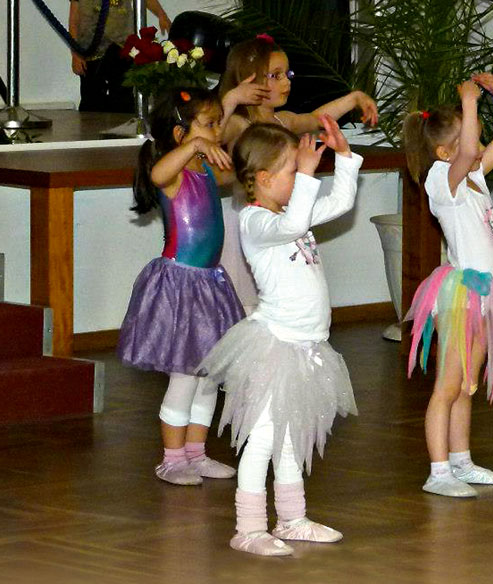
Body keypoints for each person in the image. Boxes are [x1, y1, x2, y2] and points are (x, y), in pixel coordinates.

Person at [195, 116, 361, 556]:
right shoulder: (255, 222)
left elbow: (340, 202)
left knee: (292, 435)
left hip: (306, 346)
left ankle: (292, 519)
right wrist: (307, 178)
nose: (302, 177)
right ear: (264, 178)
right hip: (274, 346)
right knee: (264, 437)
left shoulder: (293, 213)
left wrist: (343, 157)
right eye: (292, 171)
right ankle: (248, 528)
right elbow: (289, 228)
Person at [402, 74, 493, 498]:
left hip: (489, 292)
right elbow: (472, 148)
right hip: (460, 296)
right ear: (443, 152)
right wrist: (469, 104)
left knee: (467, 385)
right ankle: (438, 471)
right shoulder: (443, 182)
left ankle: (462, 461)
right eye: (464, 136)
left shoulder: (473, 176)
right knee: (447, 386)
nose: (474, 144)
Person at [117, 87, 250, 486]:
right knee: (185, 374)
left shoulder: (206, 170)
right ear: (181, 136)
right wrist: (195, 144)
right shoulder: (171, 175)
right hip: (179, 285)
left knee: (209, 375)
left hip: (209, 284)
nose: (218, 131)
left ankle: (196, 452)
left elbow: (236, 170)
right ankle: (172, 459)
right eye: (209, 126)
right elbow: (157, 173)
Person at [215, 34, 379, 314]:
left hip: (283, 212)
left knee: (285, 290)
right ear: (249, 79)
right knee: (245, 306)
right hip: (252, 220)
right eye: (275, 75)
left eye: (287, 74)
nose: (286, 82)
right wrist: (230, 99)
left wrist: (353, 98)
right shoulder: (239, 123)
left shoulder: (284, 120)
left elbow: (318, 119)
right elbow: (212, 131)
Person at [68, 0, 171, 112]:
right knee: (92, 102)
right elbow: (74, 20)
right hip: (91, 52)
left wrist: (162, 15)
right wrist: (76, 54)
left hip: (121, 48)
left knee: (123, 101)